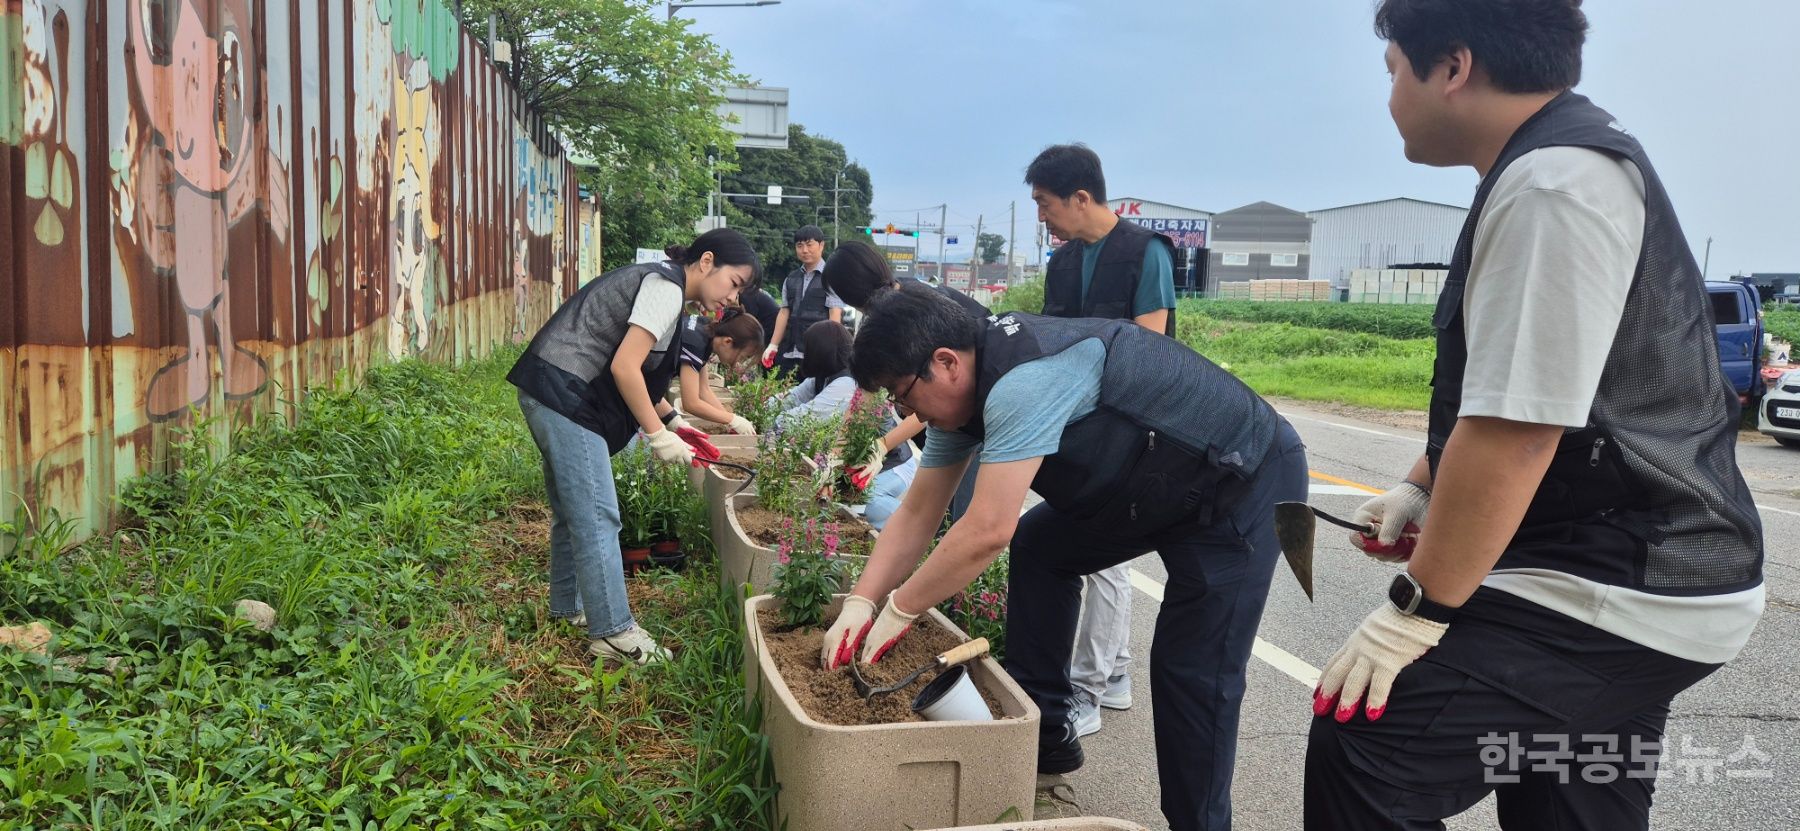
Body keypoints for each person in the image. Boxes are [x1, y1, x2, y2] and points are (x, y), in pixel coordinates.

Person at [1304, 3, 1766, 829]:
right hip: (1648, 565)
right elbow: (1519, 388)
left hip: (1626, 577)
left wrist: (1416, 611)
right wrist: (1419, 489)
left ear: (1451, 67)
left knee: (1368, 742)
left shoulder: (1553, 183)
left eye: (1393, 74)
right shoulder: (1550, 167)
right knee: (1567, 795)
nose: (1390, 100)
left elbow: (1518, 432)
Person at [821, 283, 1308, 831]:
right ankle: (1046, 734)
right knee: (1043, 546)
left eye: (901, 394)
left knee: (1193, 670)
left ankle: (1200, 825)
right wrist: (862, 601)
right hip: (1145, 489)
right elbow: (917, 514)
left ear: (946, 362)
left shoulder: (1026, 380)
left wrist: (900, 610)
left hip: (1239, 481)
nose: (903, 412)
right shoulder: (961, 406)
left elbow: (985, 530)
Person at [507, 228, 757, 665]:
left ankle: (569, 609)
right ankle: (613, 632)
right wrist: (657, 437)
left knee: (573, 511)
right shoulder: (664, 289)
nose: (732, 298)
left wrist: (673, 421)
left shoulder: (665, 288)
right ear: (706, 262)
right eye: (734, 283)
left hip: (552, 387)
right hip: (565, 395)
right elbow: (624, 367)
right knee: (599, 513)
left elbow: (638, 370)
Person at [1027, 142, 1180, 737]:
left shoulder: (1147, 253)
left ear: (1081, 197)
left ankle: (1086, 690)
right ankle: (1113, 674)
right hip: (1075, 421)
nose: (1041, 217)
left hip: (1130, 423)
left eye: (1044, 204)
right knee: (1094, 552)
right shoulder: (1062, 262)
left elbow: (1151, 348)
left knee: (1103, 556)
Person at [822, 241, 989, 522]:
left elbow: (934, 398)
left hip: (977, 415)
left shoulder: (916, 308)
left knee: (958, 516)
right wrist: (835, 455)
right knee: (934, 515)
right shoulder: (881, 316)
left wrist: (883, 445)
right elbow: (865, 397)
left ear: (848, 294)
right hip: (948, 420)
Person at [774, 320, 918, 530]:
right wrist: (831, 465)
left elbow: (921, 416)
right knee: (838, 503)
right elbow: (849, 427)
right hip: (863, 463)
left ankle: (917, 535)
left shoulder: (845, 383)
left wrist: (883, 445)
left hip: (895, 463)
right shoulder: (838, 381)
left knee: (870, 503)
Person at [761, 225, 845, 376]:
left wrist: (831, 350)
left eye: (809, 244)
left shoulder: (831, 278)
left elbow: (834, 315)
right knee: (785, 394)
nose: (804, 250)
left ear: (821, 245)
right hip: (789, 352)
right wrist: (773, 345)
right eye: (800, 245)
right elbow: (784, 312)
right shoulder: (791, 279)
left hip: (815, 353)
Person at [675, 309, 764, 433]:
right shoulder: (695, 343)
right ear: (728, 341)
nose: (738, 362)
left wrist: (730, 423)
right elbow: (691, 403)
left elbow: (703, 390)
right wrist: (731, 419)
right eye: (742, 357)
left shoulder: (705, 332)